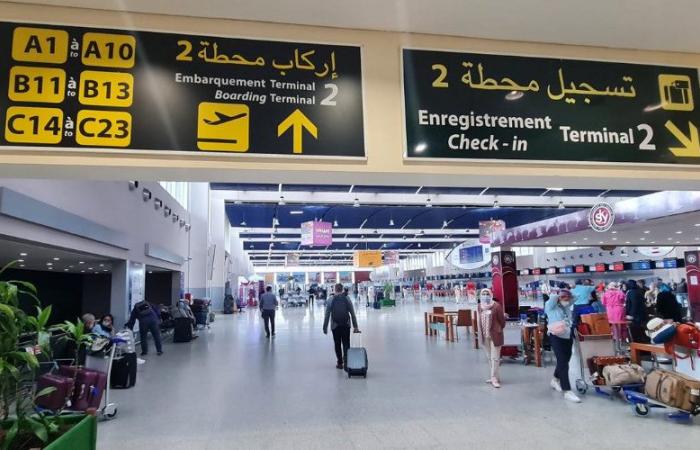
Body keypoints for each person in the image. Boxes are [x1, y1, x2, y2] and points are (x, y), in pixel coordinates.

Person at [544, 289, 581, 403]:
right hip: (555, 336)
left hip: (567, 336)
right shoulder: (550, 306)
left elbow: (576, 296)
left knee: (566, 359)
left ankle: (555, 379)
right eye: (564, 297)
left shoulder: (566, 306)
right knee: (563, 362)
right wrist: (558, 294)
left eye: (567, 297)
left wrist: (567, 293)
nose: (566, 299)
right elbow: (552, 299)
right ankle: (567, 390)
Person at [323, 283, 359, 370]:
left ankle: (340, 363)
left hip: (335, 326)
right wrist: (355, 326)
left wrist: (325, 327)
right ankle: (346, 362)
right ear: (342, 289)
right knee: (346, 343)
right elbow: (352, 313)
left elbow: (327, 314)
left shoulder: (331, 299)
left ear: (335, 289)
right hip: (346, 325)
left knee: (337, 344)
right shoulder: (347, 298)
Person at [477, 289, 505, 388]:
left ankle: (494, 378)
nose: (485, 296)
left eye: (487, 294)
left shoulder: (496, 306)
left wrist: (498, 329)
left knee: (495, 358)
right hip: (485, 336)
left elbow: (502, 321)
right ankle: (495, 376)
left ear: (491, 295)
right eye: (483, 294)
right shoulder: (480, 306)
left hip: (495, 335)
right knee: (489, 357)